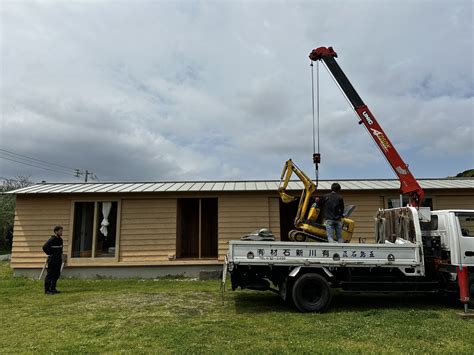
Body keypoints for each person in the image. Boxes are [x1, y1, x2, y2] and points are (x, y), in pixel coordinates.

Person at [42, 226, 64, 295]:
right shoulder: (52, 239)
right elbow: (44, 247)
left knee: (56, 274)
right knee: (50, 274)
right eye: (60, 231)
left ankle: (53, 288)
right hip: (52, 259)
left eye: (62, 231)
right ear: (56, 232)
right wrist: (50, 254)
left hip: (58, 259)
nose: (61, 232)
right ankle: (47, 290)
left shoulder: (60, 240)